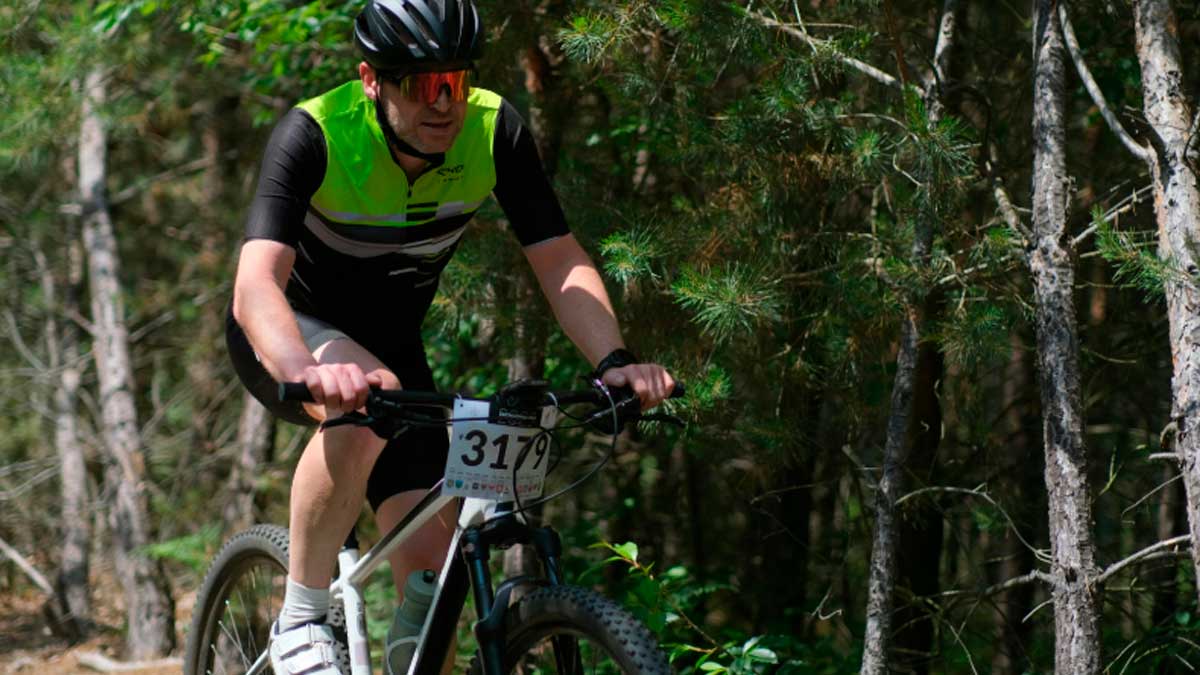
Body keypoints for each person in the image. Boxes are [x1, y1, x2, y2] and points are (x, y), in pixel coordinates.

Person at [225, 0, 675, 673]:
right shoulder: (315, 133)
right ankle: (300, 617)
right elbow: (255, 282)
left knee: (431, 578)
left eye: (456, 81)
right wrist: (303, 366)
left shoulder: (494, 132)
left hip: (394, 348)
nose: (444, 104)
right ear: (372, 78)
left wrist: (614, 361)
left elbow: (559, 259)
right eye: (421, 83)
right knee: (359, 410)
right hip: (290, 333)